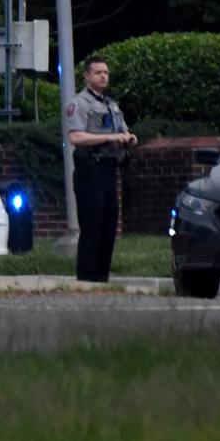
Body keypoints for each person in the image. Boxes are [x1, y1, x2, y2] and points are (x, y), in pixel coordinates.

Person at [66, 55, 137, 282]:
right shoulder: (79, 104)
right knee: (92, 225)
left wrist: (128, 138)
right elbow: (76, 137)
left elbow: (122, 130)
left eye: (106, 72)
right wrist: (110, 137)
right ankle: (87, 278)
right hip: (90, 169)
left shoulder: (111, 105)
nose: (104, 76)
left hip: (109, 170)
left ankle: (102, 277)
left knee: (108, 225)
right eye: (98, 72)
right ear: (87, 76)